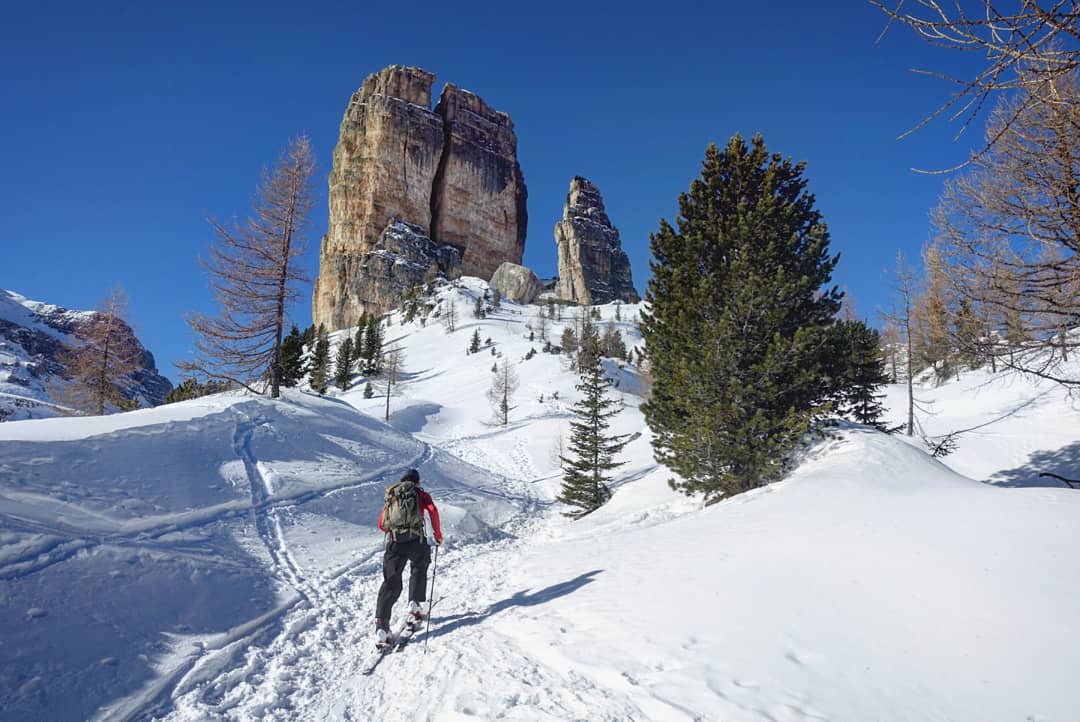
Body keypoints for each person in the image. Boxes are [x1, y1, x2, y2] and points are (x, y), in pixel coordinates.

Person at [374, 468, 443, 646]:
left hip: (394, 542)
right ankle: (414, 605)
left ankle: (381, 627)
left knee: (391, 581)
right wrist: (437, 535)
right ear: (417, 481)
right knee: (420, 567)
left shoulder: (393, 494)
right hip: (415, 539)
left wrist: (396, 531)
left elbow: (381, 523)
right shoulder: (420, 493)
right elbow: (433, 511)